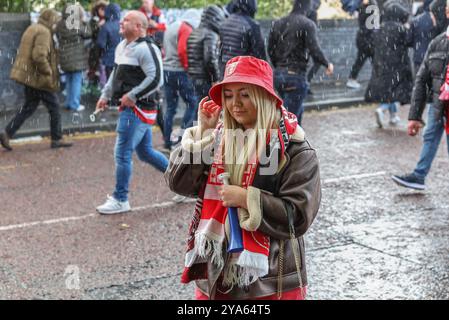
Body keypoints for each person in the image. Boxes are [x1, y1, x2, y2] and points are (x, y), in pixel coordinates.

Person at [165, 56, 321, 300]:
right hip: (217, 275)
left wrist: (247, 199)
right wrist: (203, 133)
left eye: (245, 94)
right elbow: (179, 184)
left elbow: (298, 216)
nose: (235, 103)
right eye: (228, 95)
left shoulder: (294, 148)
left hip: (270, 281)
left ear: (264, 97)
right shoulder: (217, 139)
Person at [95, 11, 168, 214]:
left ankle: (121, 199)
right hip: (131, 107)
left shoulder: (147, 48)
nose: (121, 22)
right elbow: (115, 76)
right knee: (145, 153)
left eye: (126, 20)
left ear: (138, 27)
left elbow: (156, 79)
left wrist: (133, 95)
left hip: (139, 109)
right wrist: (105, 95)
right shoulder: (122, 46)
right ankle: (185, 183)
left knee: (122, 153)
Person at [392, 4, 449, 190]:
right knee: (430, 136)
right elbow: (422, 80)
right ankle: (419, 175)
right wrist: (415, 116)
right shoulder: (437, 43)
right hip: (438, 104)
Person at [0, 9, 72, 151]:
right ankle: (57, 139)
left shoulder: (33, 28)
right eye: (55, 21)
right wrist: (48, 71)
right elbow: (39, 56)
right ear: (50, 19)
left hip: (29, 76)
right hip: (39, 78)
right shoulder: (44, 32)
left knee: (29, 107)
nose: (56, 24)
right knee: (54, 107)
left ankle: (7, 133)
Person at [268, 0, 333, 125]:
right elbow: (315, 49)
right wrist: (327, 63)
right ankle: (284, 142)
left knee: (295, 116)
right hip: (295, 76)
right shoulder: (307, 24)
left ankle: (298, 141)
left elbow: (270, 49)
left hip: (278, 76)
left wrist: (279, 67)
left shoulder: (277, 23)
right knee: (288, 122)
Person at [365, 0, 413, 128]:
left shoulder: (380, 28)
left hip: (381, 65)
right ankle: (382, 109)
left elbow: (371, 45)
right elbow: (409, 42)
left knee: (389, 90)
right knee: (396, 90)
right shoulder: (400, 28)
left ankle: (393, 116)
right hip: (397, 65)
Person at [162, 9, 201, 151]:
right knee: (192, 103)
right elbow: (182, 51)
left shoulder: (172, 26)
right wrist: (188, 68)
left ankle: (167, 141)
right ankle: (182, 137)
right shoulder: (186, 28)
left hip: (167, 70)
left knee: (171, 107)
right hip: (179, 72)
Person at [56, 3, 92, 112]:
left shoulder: (60, 24)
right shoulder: (77, 24)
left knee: (68, 80)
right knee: (76, 81)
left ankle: (68, 102)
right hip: (77, 59)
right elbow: (88, 34)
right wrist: (85, 21)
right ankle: (74, 104)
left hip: (65, 58)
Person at [187, 5, 227, 99]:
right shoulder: (210, 35)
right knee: (206, 108)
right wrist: (215, 79)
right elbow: (210, 59)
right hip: (205, 79)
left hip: (193, 77)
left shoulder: (195, 32)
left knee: (196, 106)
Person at [218, 0, 266, 73]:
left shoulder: (224, 23)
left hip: (226, 71)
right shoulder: (252, 25)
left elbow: (220, 51)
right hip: (242, 72)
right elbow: (259, 54)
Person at [346, 0, 377, 89]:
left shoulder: (362, 6)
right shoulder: (369, 6)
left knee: (362, 60)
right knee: (370, 61)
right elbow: (370, 25)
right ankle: (352, 79)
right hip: (367, 39)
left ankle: (352, 79)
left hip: (364, 38)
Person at [97, 2, 121, 79]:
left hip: (109, 58)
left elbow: (101, 44)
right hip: (123, 58)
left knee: (110, 81)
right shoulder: (123, 25)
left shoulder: (105, 26)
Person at [88, 0, 108, 91]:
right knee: (94, 68)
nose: (103, 11)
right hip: (95, 49)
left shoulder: (109, 19)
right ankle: (94, 87)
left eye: (105, 9)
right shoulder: (93, 20)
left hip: (106, 49)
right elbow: (89, 33)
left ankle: (103, 87)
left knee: (103, 68)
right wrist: (98, 26)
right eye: (101, 9)